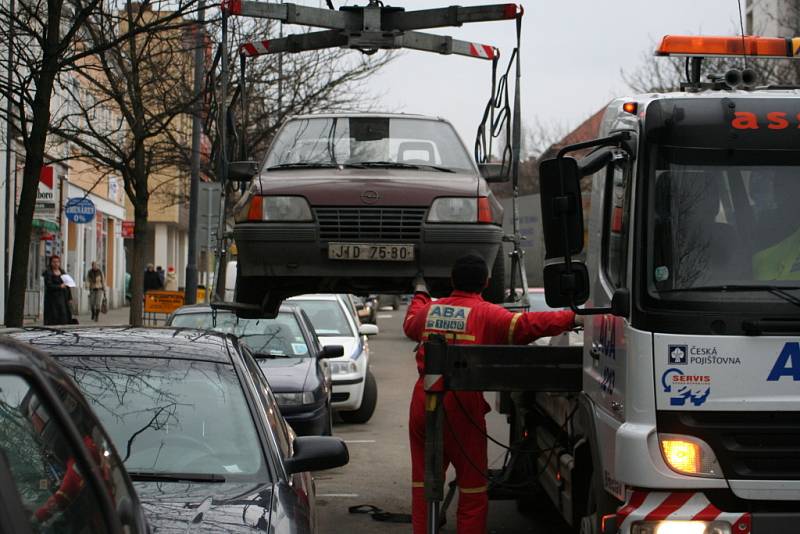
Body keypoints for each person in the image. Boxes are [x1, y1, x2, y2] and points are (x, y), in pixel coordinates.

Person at [403, 254, 581, 534]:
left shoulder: (430, 312)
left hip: (423, 402)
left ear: (452, 281)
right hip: (463, 405)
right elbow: (527, 326)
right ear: (486, 282)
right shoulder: (487, 313)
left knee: (424, 485)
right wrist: (572, 317)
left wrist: (421, 293)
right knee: (472, 489)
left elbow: (411, 322)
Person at [43, 256, 73, 325]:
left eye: (57, 262)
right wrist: (59, 286)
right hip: (52, 299)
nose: (56, 264)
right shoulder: (48, 273)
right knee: (54, 316)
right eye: (54, 262)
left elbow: (68, 285)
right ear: (51, 263)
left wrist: (70, 297)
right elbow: (49, 285)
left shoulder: (62, 272)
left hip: (63, 298)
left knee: (63, 314)